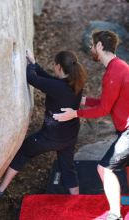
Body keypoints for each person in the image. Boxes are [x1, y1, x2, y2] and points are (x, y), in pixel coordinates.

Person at [53, 30, 129, 220]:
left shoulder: (113, 72)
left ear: (101, 46)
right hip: (124, 129)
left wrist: (74, 114)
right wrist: (84, 100)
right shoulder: (119, 67)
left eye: (93, 45)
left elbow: (103, 110)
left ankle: (114, 215)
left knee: (105, 168)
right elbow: (109, 102)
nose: (91, 49)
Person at [0, 50, 87, 198]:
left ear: (59, 67)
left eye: (54, 65)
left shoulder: (57, 87)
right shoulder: (76, 84)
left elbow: (32, 78)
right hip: (69, 137)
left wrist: (29, 67)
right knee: (67, 168)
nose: (53, 68)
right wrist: (34, 64)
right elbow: (49, 80)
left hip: (49, 138)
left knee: (23, 151)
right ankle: (77, 199)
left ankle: (0, 190)